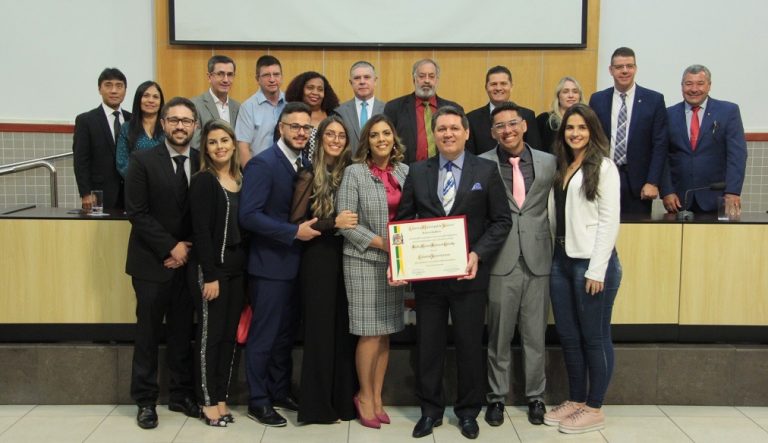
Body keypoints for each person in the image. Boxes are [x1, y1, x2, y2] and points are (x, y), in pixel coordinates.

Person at [395, 106, 512, 440]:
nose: (447, 134)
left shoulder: (486, 170)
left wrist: (478, 253)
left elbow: (501, 220)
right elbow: (403, 222)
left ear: (466, 132)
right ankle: (430, 411)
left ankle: (467, 412)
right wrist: (402, 263)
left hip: (469, 276)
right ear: (434, 134)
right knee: (428, 347)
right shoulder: (417, 171)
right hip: (429, 280)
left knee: (468, 347)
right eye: (441, 129)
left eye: (453, 128)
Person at [239, 102, 320, 427]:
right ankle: (258, 401)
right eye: (294, 126)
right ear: (280, 128)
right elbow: (249, 216)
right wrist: (292, 232)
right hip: (269, 267)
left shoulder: (305, 163)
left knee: (285, 336)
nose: (301, 132)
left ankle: (279, 390)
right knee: (265, 336)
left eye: (306, 128)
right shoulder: (263, 164)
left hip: (296, 266)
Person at [543, 103, 621, 434]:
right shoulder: (563, 165)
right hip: (561, 262)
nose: (575, 133)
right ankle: (576, 400)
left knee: (595, 336)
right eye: (570, 128)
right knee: (570, 336)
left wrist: (597, 270)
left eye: (582, 128)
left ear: (593, 131)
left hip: (592, 264)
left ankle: (594, 406)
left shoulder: (603, 167)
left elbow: (609, 220)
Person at [124, 97, 201, 429]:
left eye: (186, 121)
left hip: (189, 263)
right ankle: (145, 400)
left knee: (184, 332)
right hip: (152, 263)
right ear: (163, 124)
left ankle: (182, 394)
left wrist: (188, 247)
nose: (180, 126)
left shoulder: (203, 161)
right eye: (174, 120)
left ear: (195, 126)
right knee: (148, 333)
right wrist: (170, 247)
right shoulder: (142, 160)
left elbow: (210, 213)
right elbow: (136, 212)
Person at [479, 102, 556, 427]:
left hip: (538, 259)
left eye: (512, 124)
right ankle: (496, 398)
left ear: (523, 125)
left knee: (535, 336)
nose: (507, 131)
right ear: (492, 132)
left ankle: (536, 397)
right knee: (498, 336)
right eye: (500, 127)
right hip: (500, 260)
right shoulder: (481, 164)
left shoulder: (549, 162)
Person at [336, 114, 408, 429]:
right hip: (364, 260)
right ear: (367, 140)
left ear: (394, 138)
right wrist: (383, 243)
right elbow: (346, 223)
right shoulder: (354, 173)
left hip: (397, 263)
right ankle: (363, 396)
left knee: (386, 331)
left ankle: (378, 397)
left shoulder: (405, 172)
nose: (382, 139)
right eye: (375, 134)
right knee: (369, 331)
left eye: (387, 133)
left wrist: (402, 251)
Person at [291, 116, 359, 424]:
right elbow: (297, 224)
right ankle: (317, 407)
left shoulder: (353, 171)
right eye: (329, 134)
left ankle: (343, 402)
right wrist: (334, 223)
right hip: (318, 258)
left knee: (344, 331)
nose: (335, 139)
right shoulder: (307, 173)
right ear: (320, 139)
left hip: (349, 256)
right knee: (319, 332)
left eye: (340, 135)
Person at [187, 120, 246, 427]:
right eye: (212, 142)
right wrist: (210, 275)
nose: (220, 146)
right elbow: (200, 231)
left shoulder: (240, 178)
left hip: (238, 271)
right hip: (212, 270)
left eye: (225, 140)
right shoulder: (203, 181)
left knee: (228, 338)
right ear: (205, 149)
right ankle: (207, 401)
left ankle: (221, 397)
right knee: (210, 337)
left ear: (234, 144)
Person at [589, 47, 668, 215]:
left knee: (636, 236)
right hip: (604, 177)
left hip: (639, 185)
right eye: (619, 67)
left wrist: (653, 182)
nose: (625, 71)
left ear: (635, 68)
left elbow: (660, 144)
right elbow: (592, 141)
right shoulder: (598, 99)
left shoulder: (654, 100)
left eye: (629, 66)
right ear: (611, 70)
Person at [661, 64, 748, 214]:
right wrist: (667, 191)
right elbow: (662, 157)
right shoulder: (668, 114)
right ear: (681, 86)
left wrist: (733, 192)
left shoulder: (728, 112)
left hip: (718, 198)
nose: (694, 89)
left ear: (709, 86)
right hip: (679, 200)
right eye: (689, 84)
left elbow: (737, 155)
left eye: (700, 83)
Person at [383, 59, 463, 164]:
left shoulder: (454, 109)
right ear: (414, 79)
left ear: (437, 80)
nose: (427, 80)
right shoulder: (394, 108)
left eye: (431, 76)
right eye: (422, 76)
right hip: (406, 171)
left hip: (445, 170)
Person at [73, 67, 131, 211]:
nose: (114, 90)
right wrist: (85, 193)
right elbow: (81, 160)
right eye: (108, 85)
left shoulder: (133, 119)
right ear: (99, 89)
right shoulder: (86, 120)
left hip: (131, 194)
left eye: (119, 86)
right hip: (100, 194)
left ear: (125, 90)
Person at [467, 66, 542, 154]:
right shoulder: (472, 119)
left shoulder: (527, 115)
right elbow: (470, 156)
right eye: (493, 84)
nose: (498, 88)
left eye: (503, 83)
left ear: (511, 86)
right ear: (486, 87)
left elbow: (535, 152)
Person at [235, 55, 286, 166]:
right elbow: (243, 147)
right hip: (261, 169)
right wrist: (252, 175)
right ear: (257, 79)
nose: (272, 79)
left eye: (276, 74)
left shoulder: (291, 103)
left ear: (281, 77)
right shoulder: (248, 107)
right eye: (266, 75)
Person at [284, 71, 340, 161]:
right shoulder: (290, 114)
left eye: (320, 89)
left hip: (329, 170)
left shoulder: (333, 115)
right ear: (300, 90)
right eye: (310, 88)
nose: (315, 92)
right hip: (298, 170)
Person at [116, 81, 165, 178]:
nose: (151, 100)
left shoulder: (167, 127)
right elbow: (122, 164)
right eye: (146, 96)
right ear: (138, 99)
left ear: (161, 102)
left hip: (165, 184)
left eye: (155, 97)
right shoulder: (127, 128)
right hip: (136, 185)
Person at [191, 55, 241, 149]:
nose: (226, 80)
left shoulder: (238, 107)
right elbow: (195, 143)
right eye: (220, 74)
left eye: (230, 75)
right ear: (209, 77)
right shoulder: (194, 105)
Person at [335, 61, 386, 153]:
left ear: (375, 81)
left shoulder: (387, 109)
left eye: (367, 77)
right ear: (351, 82)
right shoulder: (339, 111)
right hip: (348, 165)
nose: (362, 82)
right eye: (357, 78)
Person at [537, 76, 585, 153]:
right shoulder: (544, 120)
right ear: (558, 96)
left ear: (580, 96)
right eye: (565, 91)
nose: (571, 95)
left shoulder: (587, 120)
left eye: (575, 91)